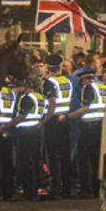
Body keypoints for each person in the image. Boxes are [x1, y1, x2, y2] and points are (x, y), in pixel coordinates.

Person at [63, 69, 106, 198]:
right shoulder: (103, 87)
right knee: (97, 160)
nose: (82, 84)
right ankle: (96, 189)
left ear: (85, 79)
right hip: (100, 127)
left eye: (82, 82)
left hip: (89, 128)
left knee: (84, 161)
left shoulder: (88, 88)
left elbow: (84, 109)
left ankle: (86, 191)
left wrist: (68, 116)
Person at [10, 79, 47, 200]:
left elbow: (21, 116)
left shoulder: (27, 98)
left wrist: (7, 125)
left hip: (26, 133)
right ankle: (34, 191)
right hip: (37, 131)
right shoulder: (40, 97)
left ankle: (28, 193)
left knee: (27, 163)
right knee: (36, 161)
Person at [42, 55, 73, 199]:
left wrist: (43, 121)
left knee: (53, 157)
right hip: (65, 120)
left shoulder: (49, 82)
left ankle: (55, 189)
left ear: (47, 67)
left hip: (52, 121)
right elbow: (71, 101)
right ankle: (67, 188)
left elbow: (52, 104)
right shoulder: (68, 81)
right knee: (65, 155)